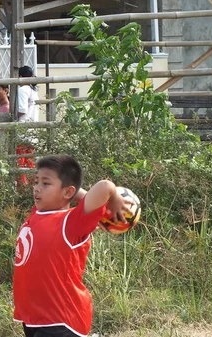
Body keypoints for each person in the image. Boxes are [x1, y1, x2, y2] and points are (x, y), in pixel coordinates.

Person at [13, 155, 133, 337]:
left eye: (46, 183)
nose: (37, 188)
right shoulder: (38, 213)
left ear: (67, 192)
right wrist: (71, 192)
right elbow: (71, 192)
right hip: (35, 317)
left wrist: (112, 197)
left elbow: (104, 186)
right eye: (36, 181)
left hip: (62, 320)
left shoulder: (71, 222)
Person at [15, 66, 40, 186]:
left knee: (21, 162)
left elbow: (22, 110)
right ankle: (32, 186)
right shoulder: (33, 91)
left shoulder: (23, 89)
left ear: (20, 77)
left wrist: (13, 117)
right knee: (30, 162)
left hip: (23, 129)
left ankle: (22, 187)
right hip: (32, 130)